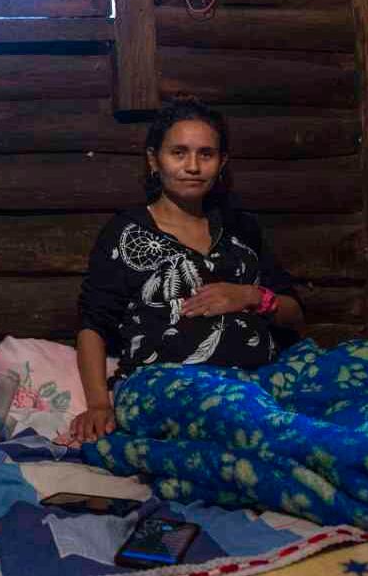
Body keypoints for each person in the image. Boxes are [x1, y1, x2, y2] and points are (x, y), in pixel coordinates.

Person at [70, 97, 304, 443]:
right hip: (166, 386)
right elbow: (93, 325)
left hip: (261, 380)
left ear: (222, 163)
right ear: (154, 160)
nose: (192, 166)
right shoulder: (127, 233)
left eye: (205, 154)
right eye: (178, 153)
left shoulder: (241, 229)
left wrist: (251, 296)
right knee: (240, 411)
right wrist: (99, 404)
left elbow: (295, 317)